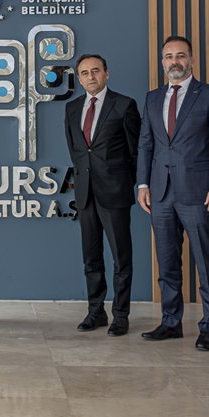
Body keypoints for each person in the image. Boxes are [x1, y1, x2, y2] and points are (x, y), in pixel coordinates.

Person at [137, 36, 209, 351]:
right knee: (167, 264)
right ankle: (170, 322)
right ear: (162, 62)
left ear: (191, 60)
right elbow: (146, 144)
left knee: (206, 263)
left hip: (199, 193)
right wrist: (142, 184)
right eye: (168, 56)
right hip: (160, 194)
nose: (174, 61)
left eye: (180, 55)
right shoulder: (153, 98)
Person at [64, 54, 140, 336]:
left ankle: (121, 315)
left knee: (121, 258)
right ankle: (95, 312)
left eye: (95, 71)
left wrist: (125, 183)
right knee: (91, 258)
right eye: (85, 73)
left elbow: (136, 152)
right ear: (79, 78)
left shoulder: (124, 105)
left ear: (107, 73)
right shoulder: (72, 108)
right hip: (85, 194)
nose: (91, 76)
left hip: (115, 193)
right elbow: (76, 150)